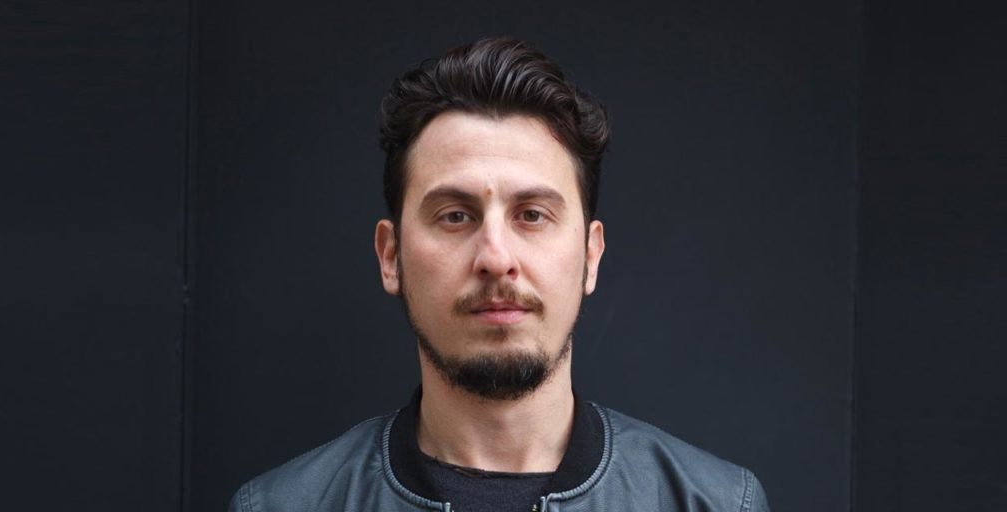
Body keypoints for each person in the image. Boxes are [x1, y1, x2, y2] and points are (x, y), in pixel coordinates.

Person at [228, 37, 770, 512]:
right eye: (454, 216)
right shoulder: (279, 506)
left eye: (532, 215)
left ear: (590, 255)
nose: (495, 256)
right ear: (391, 256)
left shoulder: (714, 504)